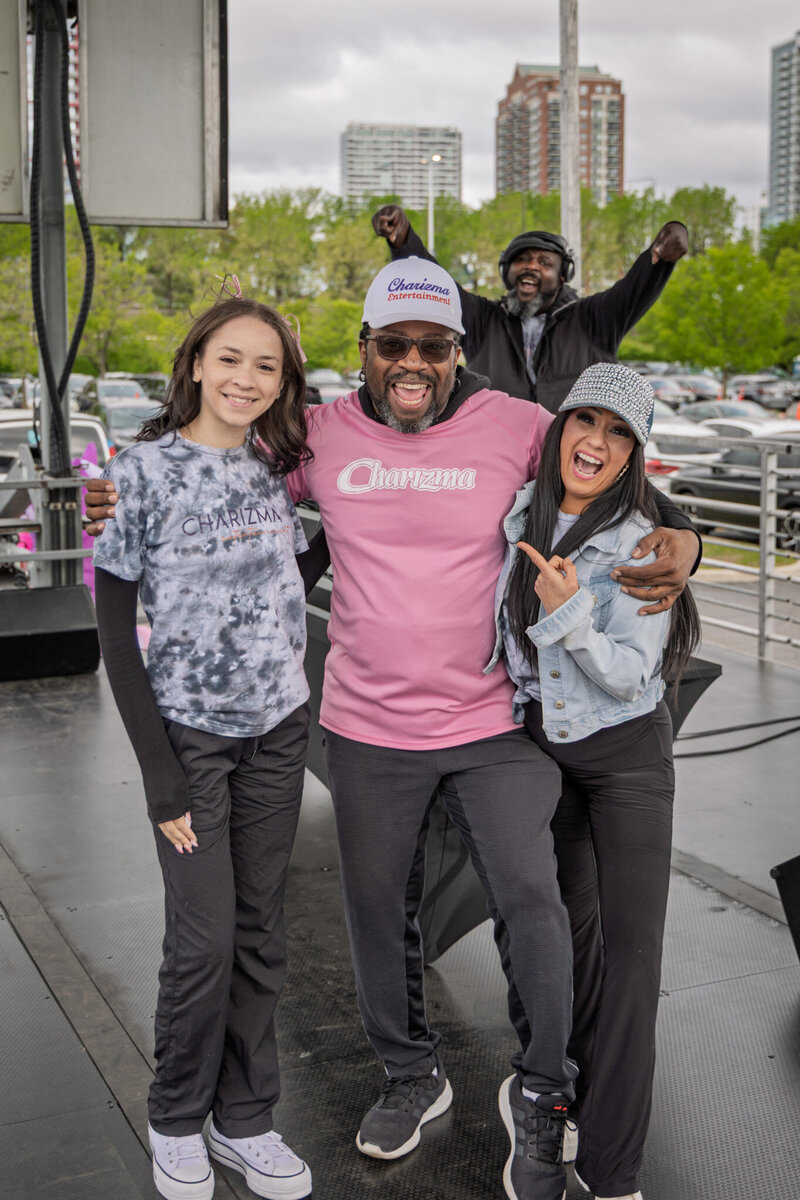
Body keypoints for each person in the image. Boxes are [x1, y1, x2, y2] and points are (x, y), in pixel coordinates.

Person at [85, 259, 701, 1200]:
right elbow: (210, 459)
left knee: (532, 901)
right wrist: (120, 487)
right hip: (365, 725)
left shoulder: (514, 424)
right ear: (364, 351)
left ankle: (543, 1091)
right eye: (394, 345)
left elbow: (604, 463)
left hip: (491, 718)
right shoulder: (316, 436)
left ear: (458, 351)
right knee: (378, 914)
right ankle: (412, 1074)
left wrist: (687, 532)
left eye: (435, 346)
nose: (414, 363)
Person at [91, 289, 317, 1200]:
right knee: (203, 941)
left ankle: (246, 1116)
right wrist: (161, 778)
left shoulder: (278, 466)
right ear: (194, 363)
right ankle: (175, 1116)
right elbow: (113, 625)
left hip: (279, 728)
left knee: (261, 933)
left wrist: (336, 543)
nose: (247, 379)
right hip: (191, 740)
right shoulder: (141, 471)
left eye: (266, 365)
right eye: (231, 359)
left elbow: (282, 575)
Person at [488, 362, 700, 1200]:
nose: (597, 443)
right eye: (586, 422)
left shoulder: (644, 538)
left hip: (625, 762)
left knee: (632, 963)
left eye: (619, 434)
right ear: (559, 426)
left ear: (634, 453)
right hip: (545, 751)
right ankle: (562, 1101)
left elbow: (623, 675)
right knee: (568, 950)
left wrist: (569, 613)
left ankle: (614, 1174)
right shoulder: (518, 508)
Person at [372, 205, 688, 412]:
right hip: (500, 464)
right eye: (522, 260)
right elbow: (436, 282)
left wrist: (660, 256)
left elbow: (635, 287)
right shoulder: (483, 320)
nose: (531, 267)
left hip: (572, 470)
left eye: (544, 263)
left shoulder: (594, 320)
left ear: (563, 276)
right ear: (506, 272)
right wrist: (403, 241)